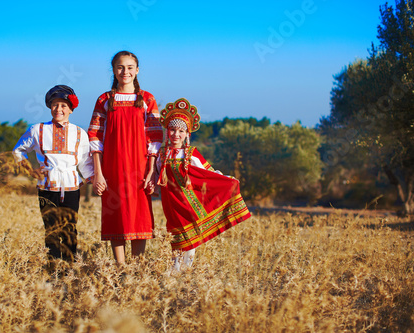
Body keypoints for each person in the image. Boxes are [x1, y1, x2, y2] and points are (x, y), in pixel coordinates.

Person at [156, 98, 252, 271]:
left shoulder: (190, 153)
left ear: (186, 134)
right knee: (175, 237)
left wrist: (227, 180)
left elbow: (207, 173)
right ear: (167, 131)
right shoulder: (161, 154)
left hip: (188, 202)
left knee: (190, 238)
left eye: (180, 131)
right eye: (172, 129)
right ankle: (174, 270)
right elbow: (156, 175)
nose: (176, 134)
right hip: (171, 203)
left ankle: (185, 270)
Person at [88, 51, 163, 264]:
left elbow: (155, 136)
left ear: (137, 70)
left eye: (130, 67)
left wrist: (151, 171)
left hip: (140, 167)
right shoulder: (104, 99)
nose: (125, 71)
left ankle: (138, 268)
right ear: (113, 70)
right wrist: (98, 174)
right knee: (117, 214)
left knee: (140, 214)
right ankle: (120, 269)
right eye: (121, 67)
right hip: (111, 166)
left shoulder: (147, 99)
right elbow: (95, 136)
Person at [13, 85, 94, 265]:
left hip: (71, 187)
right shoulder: (37, 130)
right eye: (55, 105)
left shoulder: (80, 133)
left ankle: (70, 266)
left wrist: (91, 178)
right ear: (50, 106)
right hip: (47, 186)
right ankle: (53, 267)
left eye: (63, 105)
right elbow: (18, 151)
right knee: (51, 228)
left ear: (71, 109)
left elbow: (84, 161)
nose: (59, 109)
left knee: (70, 228)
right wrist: (30, 170)